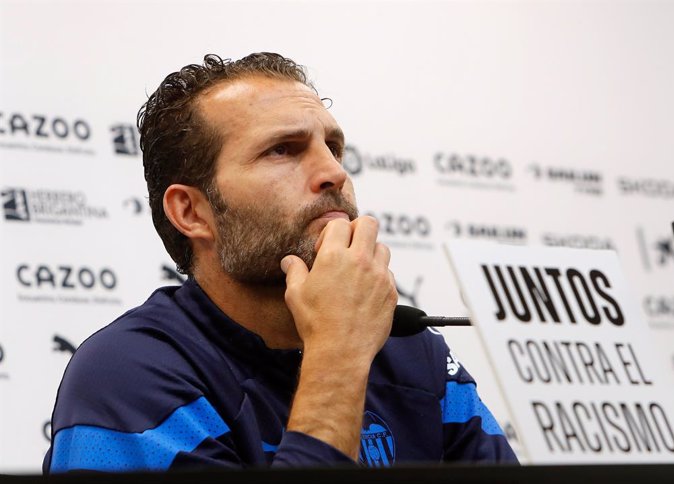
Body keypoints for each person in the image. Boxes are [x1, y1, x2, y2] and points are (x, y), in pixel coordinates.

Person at [44, 53, 517, 473]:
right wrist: (338, 353)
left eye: (332, 147)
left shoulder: (414, 355)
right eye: (283, 150)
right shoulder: (125, 375)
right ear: (191, 212)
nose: (334, 173)